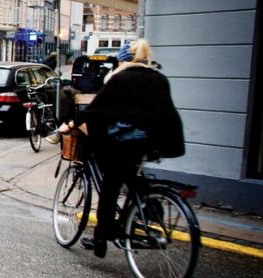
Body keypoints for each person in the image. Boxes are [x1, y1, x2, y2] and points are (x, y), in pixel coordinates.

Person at [76, 38, 184, 258]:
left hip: (126, 141)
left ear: (122, 61)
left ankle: (101, 238)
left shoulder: (121, 79)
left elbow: (98, 110)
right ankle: (147, 202)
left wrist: (75, 121)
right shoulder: (159, 78)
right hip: (154, 140)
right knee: (132, 174)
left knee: (111, 185)